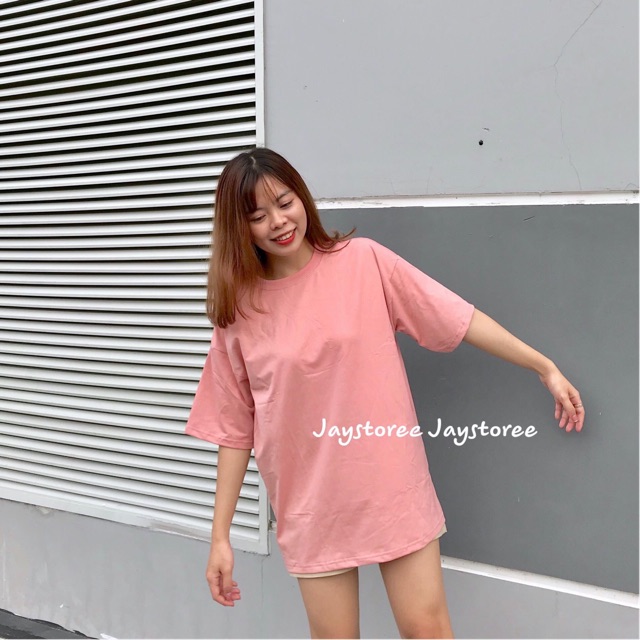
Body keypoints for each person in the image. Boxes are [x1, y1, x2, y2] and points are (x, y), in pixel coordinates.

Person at [185, 147, 585, 639]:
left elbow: (455, 316)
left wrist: (543, 366)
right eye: (258, 216)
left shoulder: (363, 261)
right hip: (311, 502)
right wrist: (220, 537)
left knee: (427, 630)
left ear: (302, 198)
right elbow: (234, 428)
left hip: (391, 485)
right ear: (239, 228)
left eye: (285, 203)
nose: (279, 222)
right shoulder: (239, 312)